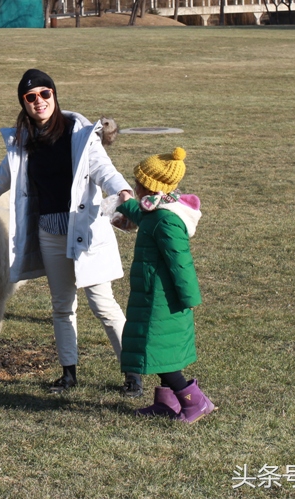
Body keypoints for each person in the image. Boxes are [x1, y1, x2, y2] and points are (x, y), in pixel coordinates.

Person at [0, 69, 140, 394]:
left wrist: (122, 190)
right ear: (24, 103)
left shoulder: (79, 133)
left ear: (54, 94)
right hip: (50, 236)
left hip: (86, 232)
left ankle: (132, 373)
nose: (39, 102)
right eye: (30, 97)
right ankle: (68, 374)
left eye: (44, 94)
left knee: (103, 304)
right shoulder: (23, 142)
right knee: (62, 305)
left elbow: (103, 169)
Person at [114, 147, 215, 422]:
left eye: (136, 183)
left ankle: (195, 402)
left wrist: (189, 297)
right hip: (153, 296)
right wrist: (125, 204)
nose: (133, 186)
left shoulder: (166, 221)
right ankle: (166, 402)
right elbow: (145, 217)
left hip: (162, 300)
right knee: (158, 351)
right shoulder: (158, 209)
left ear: (147, 187)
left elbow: (180, 262)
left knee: (157, 350)